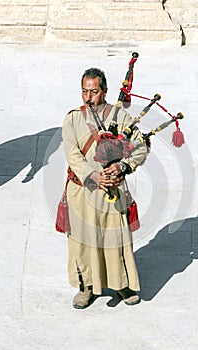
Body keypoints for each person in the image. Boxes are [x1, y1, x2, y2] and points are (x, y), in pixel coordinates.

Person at [62, 67, 148, 309]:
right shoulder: (72, 118)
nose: (88, 97)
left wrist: (122, 166)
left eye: (94, 91)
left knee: (115, 238)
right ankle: (86, 287)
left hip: (113, 190)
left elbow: (140, 146)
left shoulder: (120, 117)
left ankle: (120, 283)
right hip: (82, 191)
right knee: (83, 241)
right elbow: (72, 155)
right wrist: (94, 176)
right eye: (84, 91)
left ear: (105, 91)